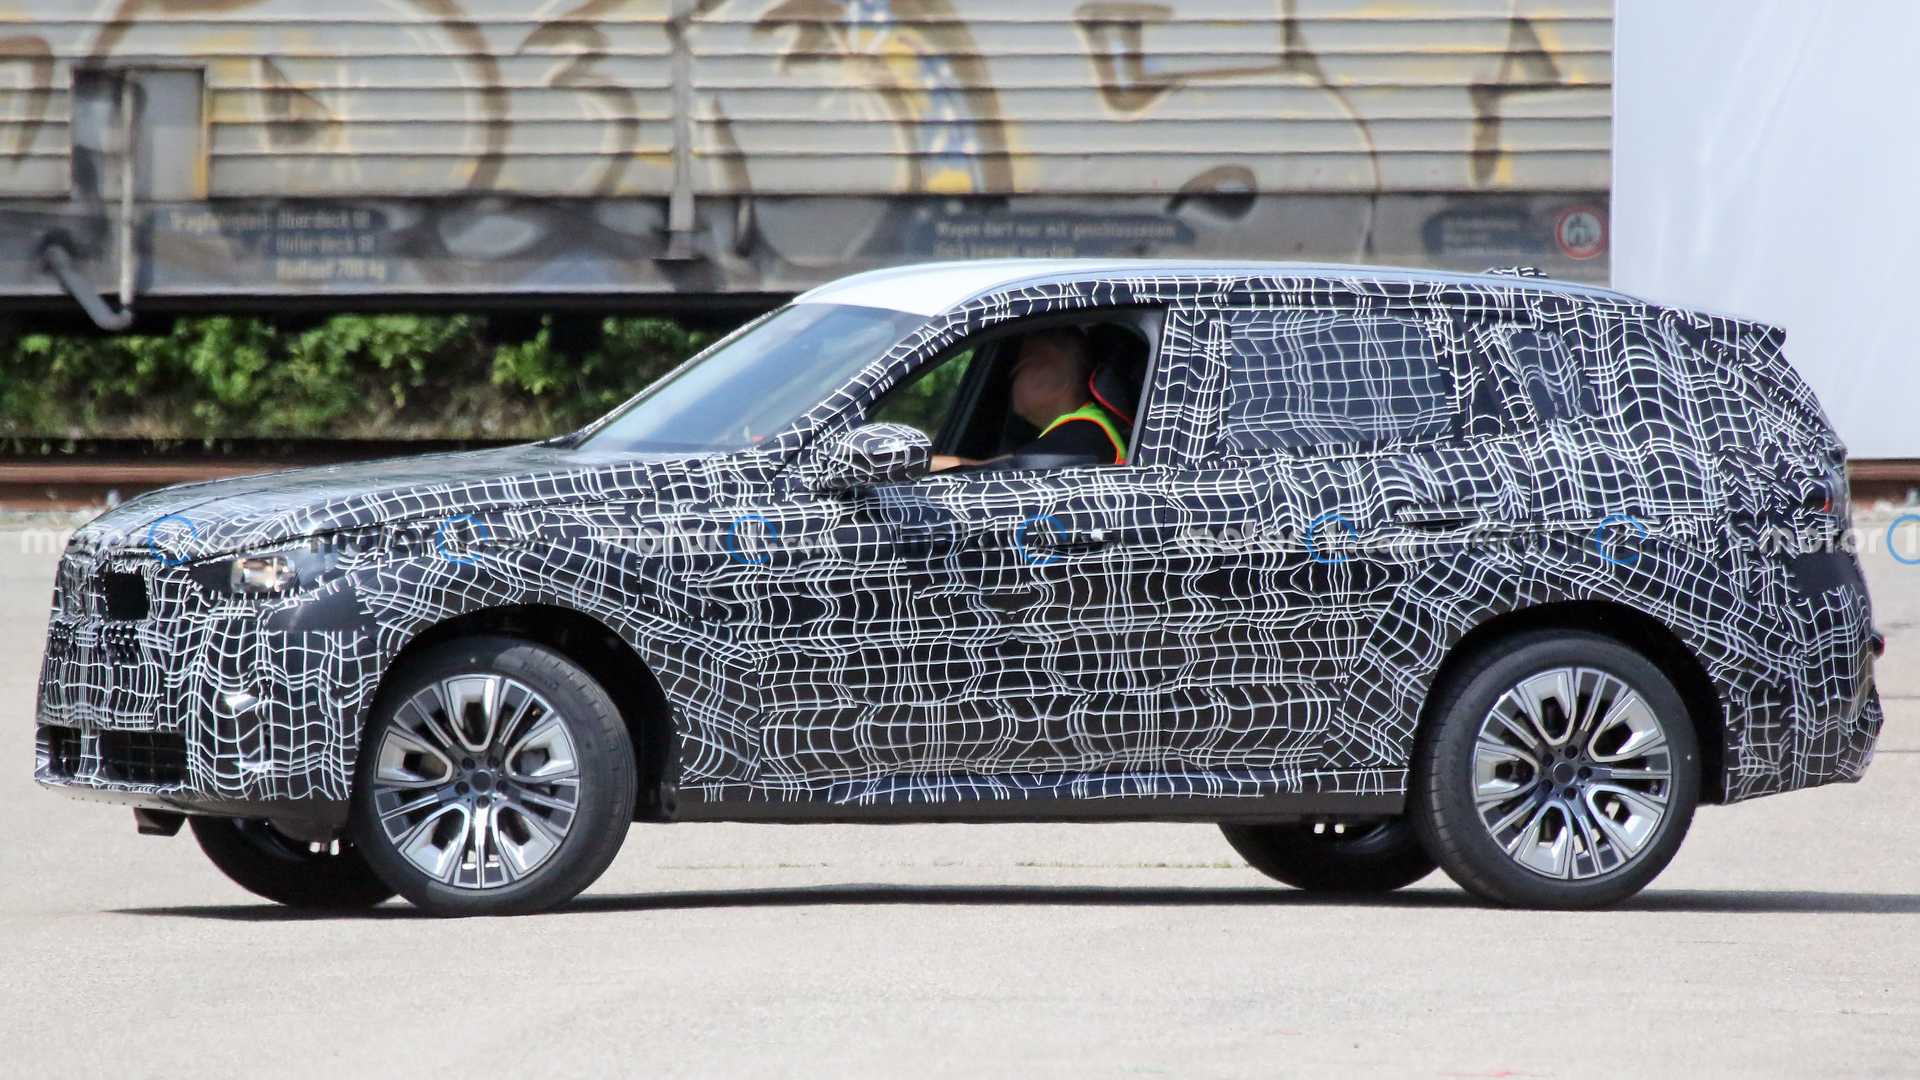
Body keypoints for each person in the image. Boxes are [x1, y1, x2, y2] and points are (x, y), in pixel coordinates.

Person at [931, 327, 1128, 471]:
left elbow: (1002, 475)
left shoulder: (1084, 433)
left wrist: (923, 465)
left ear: (1050, 371)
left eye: (1020, 367)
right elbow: (995, 465)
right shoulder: (1079, 430)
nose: (1010, 377)